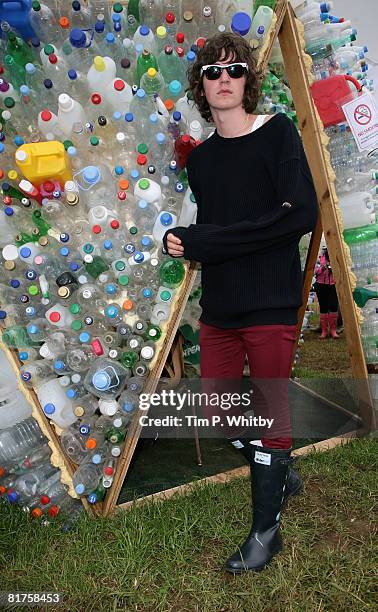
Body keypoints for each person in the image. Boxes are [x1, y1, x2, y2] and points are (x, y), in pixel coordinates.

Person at [162, 32, 318, 573]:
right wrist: (181, 239)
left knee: (272, 417)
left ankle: (265, 534)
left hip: (270, 300)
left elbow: (298, 215)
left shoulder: (276, 133)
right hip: (222, 305)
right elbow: (214, 227)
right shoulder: (201, 161)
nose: (223, 78)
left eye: (233, 70)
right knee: (221, 415)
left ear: (248, 79)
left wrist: (209, 242)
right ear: (201, 87)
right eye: (212, 72)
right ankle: (280, 472)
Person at [314, 246, 339, 339]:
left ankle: (333, 330)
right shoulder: (320, 256)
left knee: (333, 306)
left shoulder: (337, 255)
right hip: (321, 285)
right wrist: (322, 268)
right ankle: (324, 331)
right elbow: (314, 270)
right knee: (323, 307)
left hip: (333, 285)